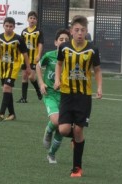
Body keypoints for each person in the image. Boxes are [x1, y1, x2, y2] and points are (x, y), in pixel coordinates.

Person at [54, 15, 103, 177]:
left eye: (82, 30)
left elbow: (97, 70)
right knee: (63, 129)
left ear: (86, 31)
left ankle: (77, 168)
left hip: (84, 96)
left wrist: (99, 87)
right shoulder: (64, 48)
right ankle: (75, 138)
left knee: (79, 130)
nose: (80, 33)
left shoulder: (92, 49)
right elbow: (59, 64)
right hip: (67, 94)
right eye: (76, 30)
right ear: (71, 32)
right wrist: (57, 79)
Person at [0, 17, 31, 121]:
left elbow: (25, 53)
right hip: (3, 68)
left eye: (11, 26)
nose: (9, 28)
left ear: (14, 27)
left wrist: (28, 67)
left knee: (6, 87)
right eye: (7, 26)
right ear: (3, 26)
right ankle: (12, 114)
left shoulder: (18, 39)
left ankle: (1, 113)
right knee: (7, 90)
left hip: (13, 67)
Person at [36, 29, 71, 164]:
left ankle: (51, 154)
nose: (63, 42)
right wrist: (41, 83)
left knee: (64, 129)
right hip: (50, 93)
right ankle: (48, 130)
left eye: (66, 40)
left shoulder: (72, 59)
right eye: (61, 39)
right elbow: (38, 66)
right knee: (56, 121)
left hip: (66, 96)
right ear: (56, 42)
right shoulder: (49, 56)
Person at [17, 11, 44, 103]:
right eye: (31, 18)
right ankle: (24, 98)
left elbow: (40, 44)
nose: (32, 20)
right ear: (28, 19)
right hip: (25, 58)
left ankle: (38, 90)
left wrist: (39, 55)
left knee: (31, 77)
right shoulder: (24, 32)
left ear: (36, 20)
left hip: (33, 58)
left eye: (34, 18)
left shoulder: (38, 32)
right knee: (24, 76)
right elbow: (20, 45)